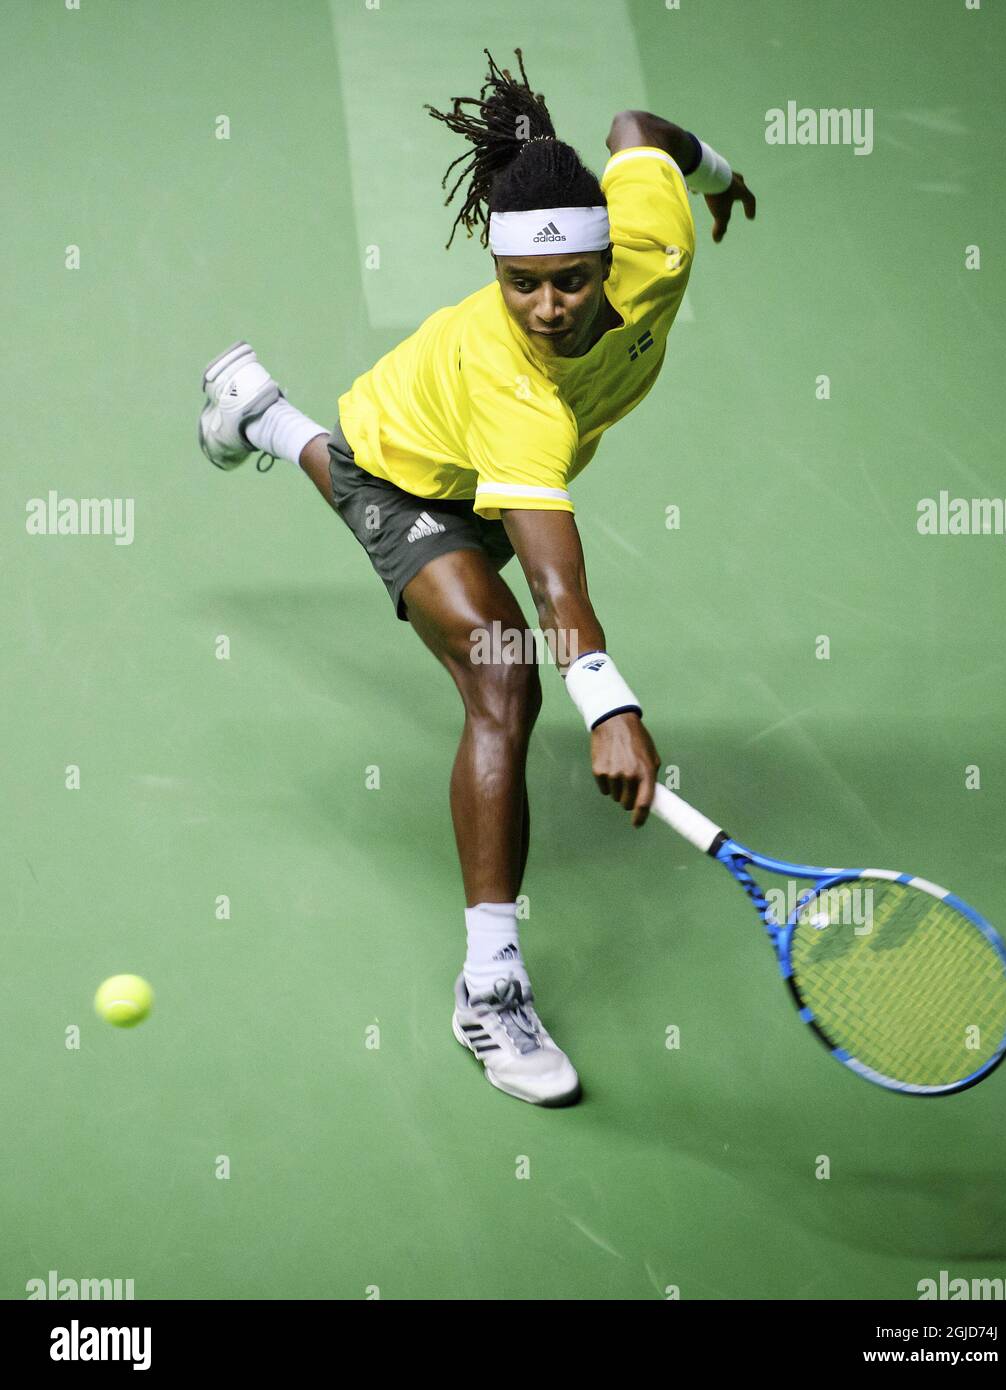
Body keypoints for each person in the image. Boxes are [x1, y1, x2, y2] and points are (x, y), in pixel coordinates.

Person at [197, 48, 756, 1108]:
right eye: (520, 284)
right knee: (505, 681)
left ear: (611, 256)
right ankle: (488, 987)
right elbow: (554, 589)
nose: (547, 308)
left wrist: (717, 176)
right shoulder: (514, 386)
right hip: (408, 467)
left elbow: (640, 129)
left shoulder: (660, 240)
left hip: (487, 471)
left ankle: (262, 415)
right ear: (495, 274)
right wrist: (611, 705)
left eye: (571, 280)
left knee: (493, 627)